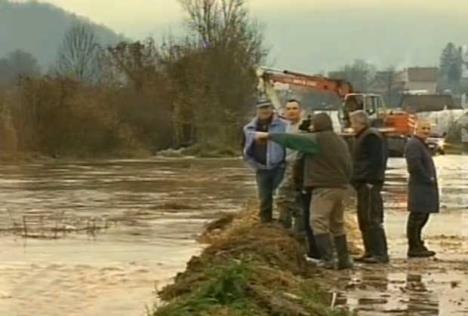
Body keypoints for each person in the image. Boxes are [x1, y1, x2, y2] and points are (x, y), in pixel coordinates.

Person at [256, 113, 353, 270]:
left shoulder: (317, 140)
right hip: (340, 187)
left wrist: (268, 135)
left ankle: (328, 259)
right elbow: (349, 165)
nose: (311, 127)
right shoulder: (339, 140)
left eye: (313, 124)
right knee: (337, 224)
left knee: (317, 221)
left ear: (318, 125)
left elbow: (293, 140)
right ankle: (344, 260)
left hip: (323, 188)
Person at [349, 110, 389, 264]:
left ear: (360, 122)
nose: (351, 126)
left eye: (352, 122)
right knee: (364, 218)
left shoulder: (371, 136)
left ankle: (380, 253)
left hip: (369, 183)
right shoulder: (363, 136)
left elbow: (376, 161)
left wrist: (370, 180)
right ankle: (370, 250)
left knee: (372, 218)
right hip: (362, 182)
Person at [243, 100, 287, 223]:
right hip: (261, 168)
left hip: (280, 167)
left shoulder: (283, 125)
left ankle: (284, 223)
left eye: (267, 108)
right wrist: (253, 164)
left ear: (272, 109)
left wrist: (285, 163)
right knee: (264, 198)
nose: (265, 111)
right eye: (262, 108)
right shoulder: (249, 128)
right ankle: (265, 223)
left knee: (281, 197)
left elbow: (288, 146)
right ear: (257, 110)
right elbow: (245, 148)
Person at [405, 120, 439, 258]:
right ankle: (414, 247)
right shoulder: (414, 144)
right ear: (416, 129)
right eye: (423, 128)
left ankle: (418, 244)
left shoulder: (421, 144)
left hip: (424, 187)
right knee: (417, 217)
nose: (426, 131)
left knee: (423, 216)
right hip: (420, 187)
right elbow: (414, 166)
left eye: (428, 128)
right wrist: (427, 178)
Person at [276, 99, 304, 231]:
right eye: (288, 109)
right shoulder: (287, 126)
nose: (291, 111)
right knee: (297, 199)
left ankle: (284, 225)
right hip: (288, 164)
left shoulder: (304, 126)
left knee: (282, 194)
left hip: (299, 165)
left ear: (300, 111)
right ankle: (298, 230)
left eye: (294, 108)